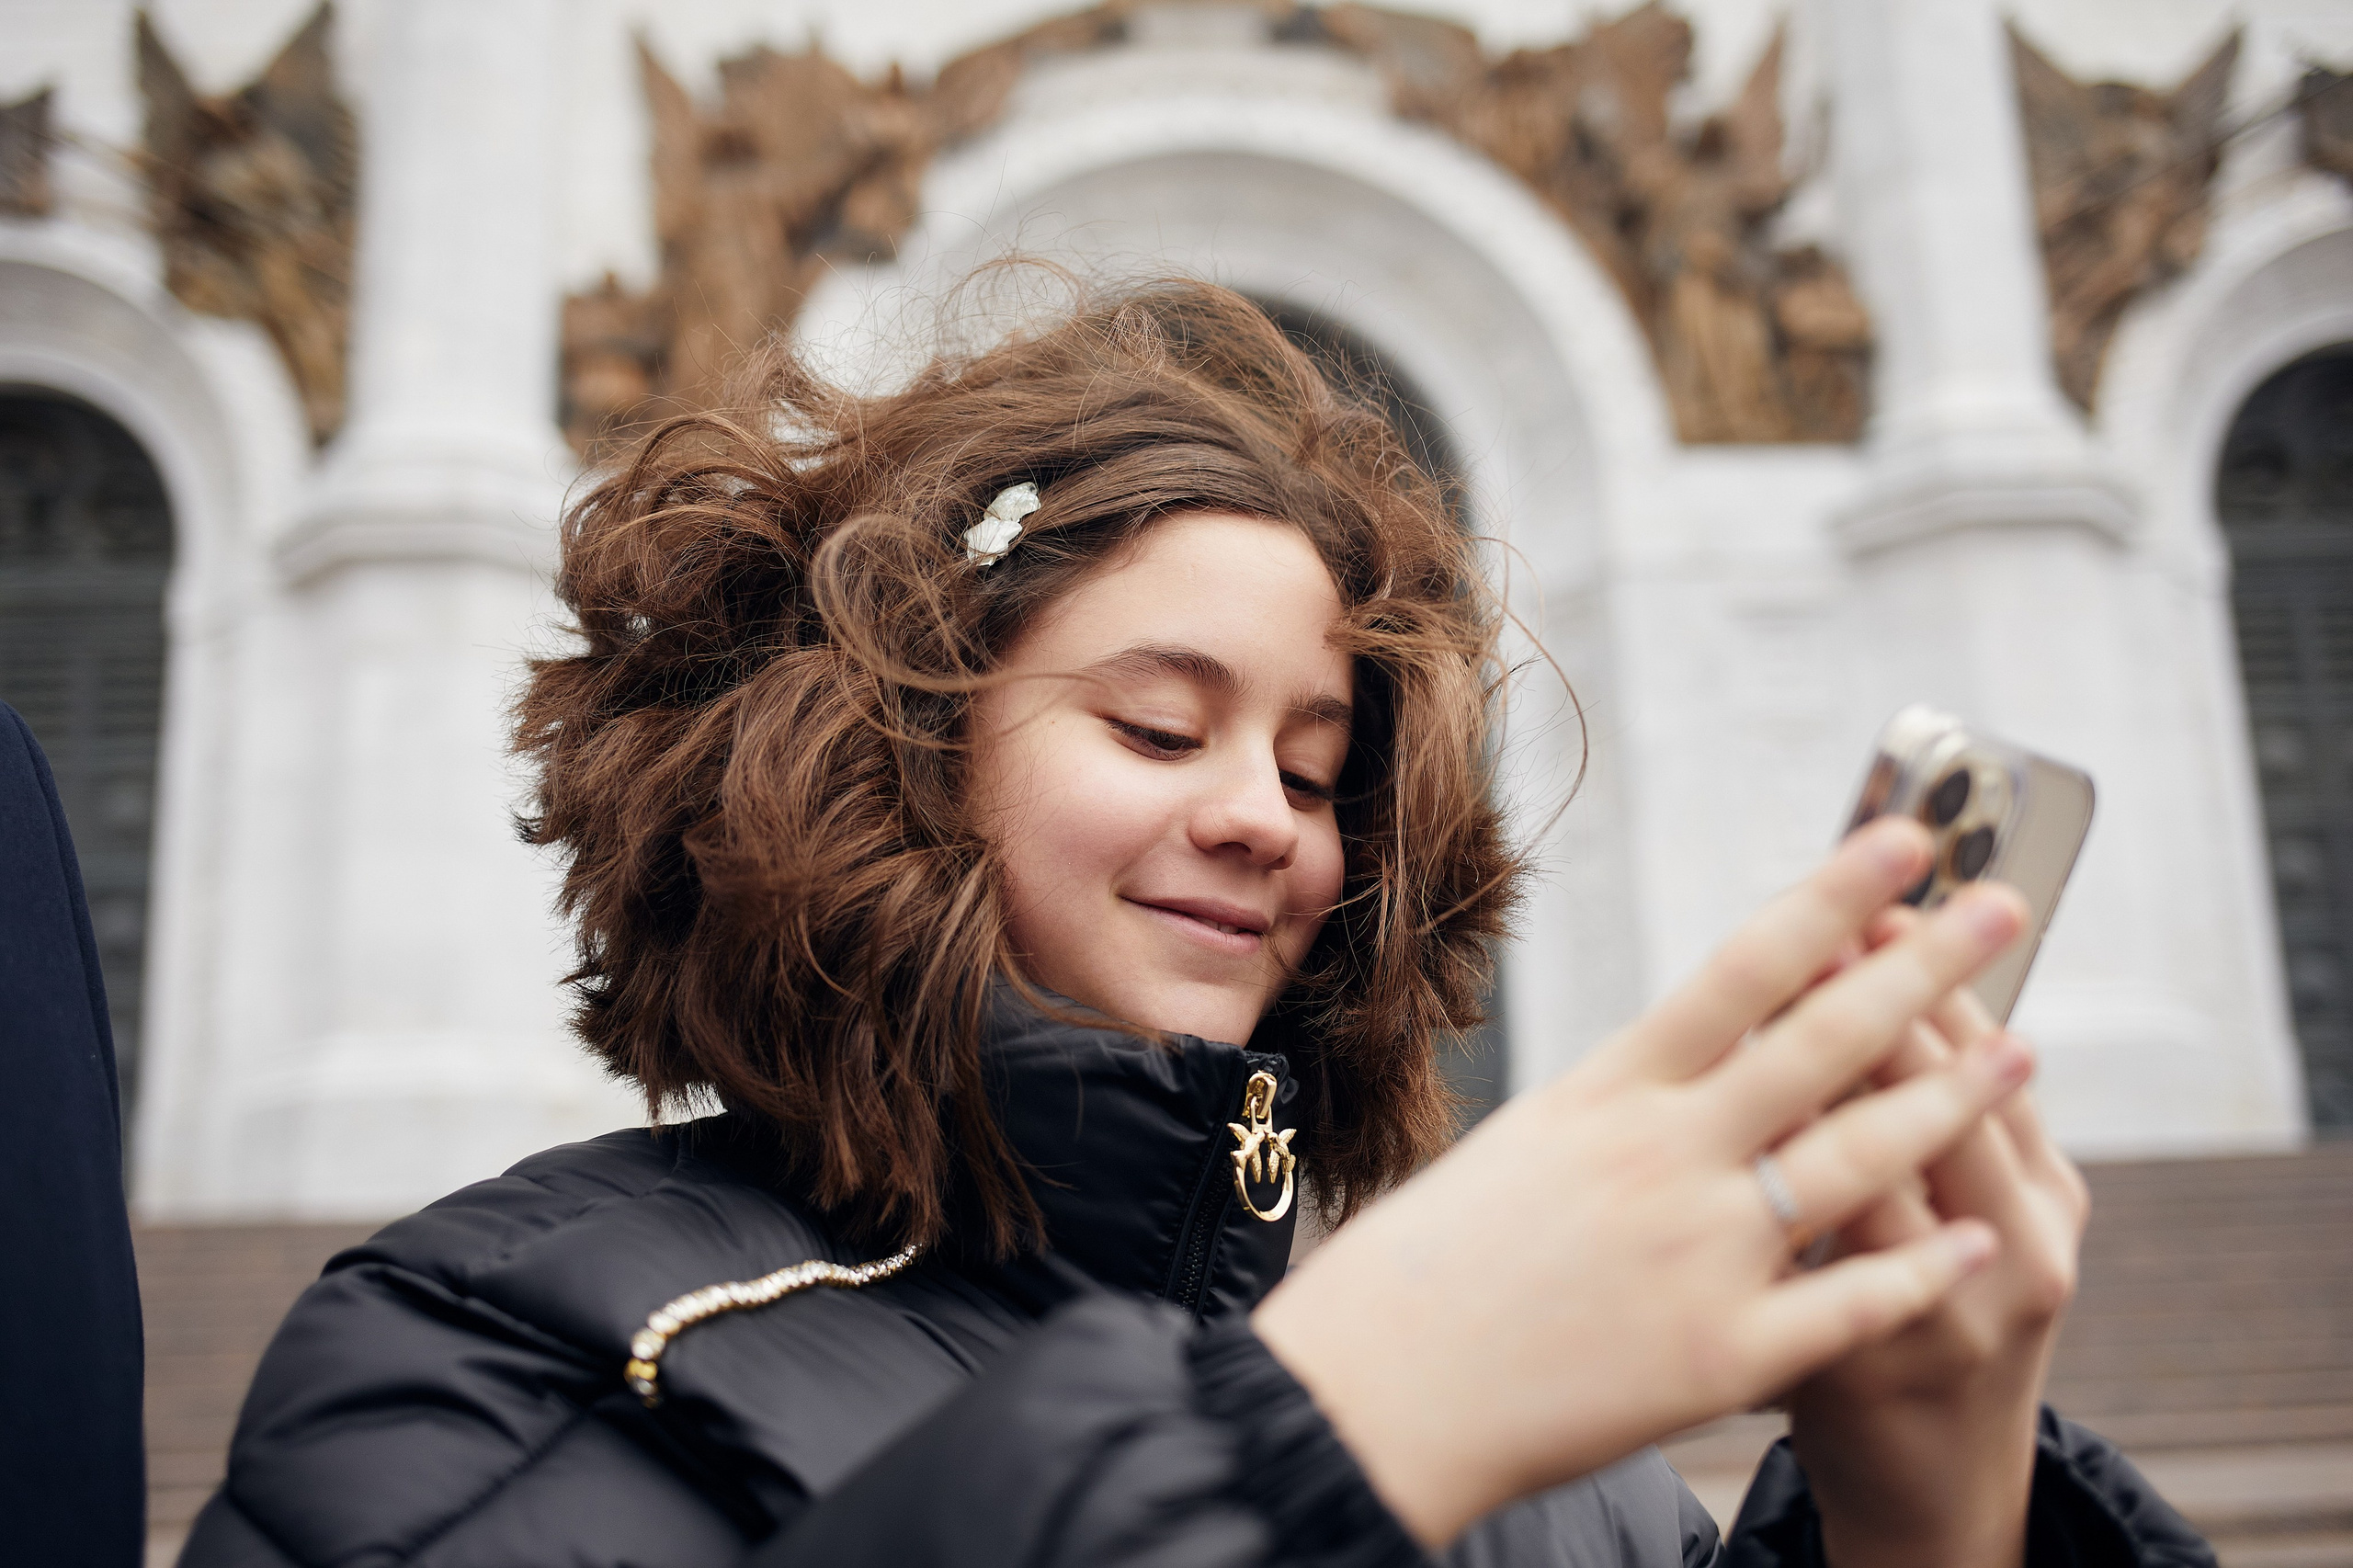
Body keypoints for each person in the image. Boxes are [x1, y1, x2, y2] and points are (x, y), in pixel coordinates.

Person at [181, 280, 2207, 1567]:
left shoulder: (1567, 1480)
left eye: (1319, 768)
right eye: (1160, 723)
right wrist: (1316, 1436)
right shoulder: (499, 1333)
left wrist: (1927, 1504)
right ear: (878, 744)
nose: (1260, 822)